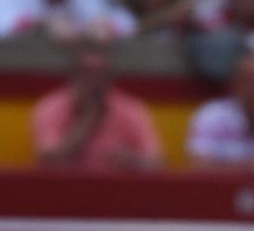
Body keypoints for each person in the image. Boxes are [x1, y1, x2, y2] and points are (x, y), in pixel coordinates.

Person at [31, 38, 162, 170]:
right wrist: (87, 120)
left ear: (110, 77)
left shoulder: (131, 108)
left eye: (100, 74)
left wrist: (132, 160)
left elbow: (156, 162)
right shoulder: (51, 107)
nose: (94, 82)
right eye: (87, 74)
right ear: (73, 76)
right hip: (65, 187)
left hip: (117, 187)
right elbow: (49, 160)